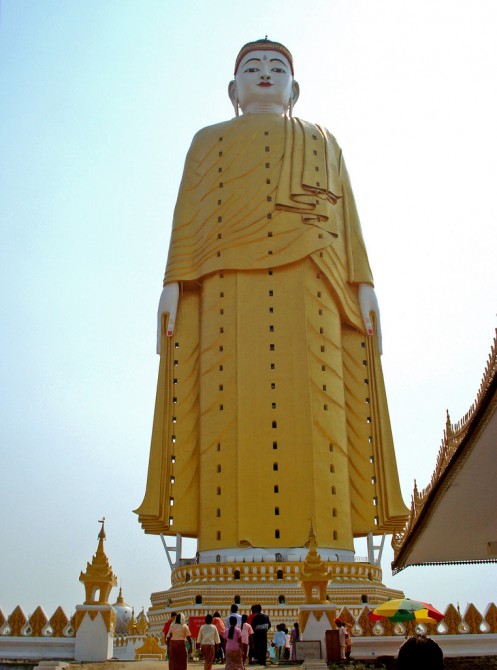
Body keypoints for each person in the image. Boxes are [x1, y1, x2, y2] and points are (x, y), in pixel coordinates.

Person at [136, 38, 408, 555]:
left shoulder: (323, 141)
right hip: (225, 290)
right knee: (224, 419)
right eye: (253, 68)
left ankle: (329, 549)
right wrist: (172, 282)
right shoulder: (206, 141)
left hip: (313, 289)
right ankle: (224, 549)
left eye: (277, 67)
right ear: (233, 89)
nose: (265, 74)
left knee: (323, 414)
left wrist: (365, 285)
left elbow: (347, 220)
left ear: (294, 87)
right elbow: (187, 216)